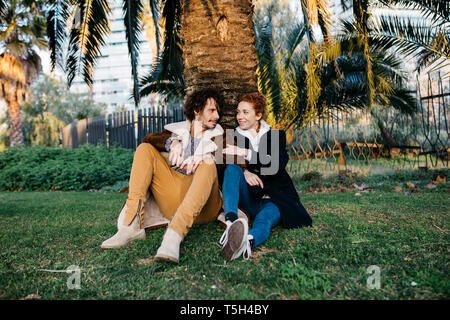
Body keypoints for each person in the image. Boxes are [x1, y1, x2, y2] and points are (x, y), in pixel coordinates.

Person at [101, 88, 226, 264]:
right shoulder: (176, 131)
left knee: (208, 163)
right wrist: (172, 143)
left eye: (218, 111)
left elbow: (235, 156)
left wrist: (205, 155)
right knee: (144, 149)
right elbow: (149, 138)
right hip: (173, 200)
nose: (217, 116)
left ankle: (173, 237)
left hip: (206, 206)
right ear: (197, 111)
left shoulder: (222, 135)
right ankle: (131, 226)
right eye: (212, 110)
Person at [219, 92, 312, 260]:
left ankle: (247, 241)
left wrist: (245, 153)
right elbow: (220, 159)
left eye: (245, 112)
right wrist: (244, 171)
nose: (240, 116)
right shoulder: (233, 135)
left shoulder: (276, 135)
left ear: (258, 115)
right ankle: (231, 225)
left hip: (273, 199)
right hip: (248, 197)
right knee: (232, 169)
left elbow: (274, 166)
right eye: (238, 112)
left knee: (265, 220)